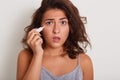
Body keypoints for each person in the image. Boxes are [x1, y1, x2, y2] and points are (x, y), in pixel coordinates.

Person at [17, 0, 94, 80]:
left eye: (63, 22)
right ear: (39, 28)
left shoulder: (84, 62)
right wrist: (38, 54)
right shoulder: (25, 57)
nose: (56, 30)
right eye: (49, 23)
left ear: (70, 27)